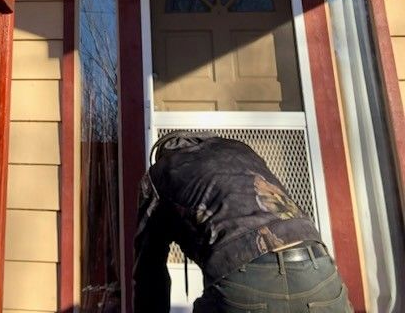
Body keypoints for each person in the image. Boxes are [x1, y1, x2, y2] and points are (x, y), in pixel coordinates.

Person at [133, 133, 351, 312]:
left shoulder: (159, 174)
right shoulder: (239, 150)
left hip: (247, 277)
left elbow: (149, 271)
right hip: (319, 269)